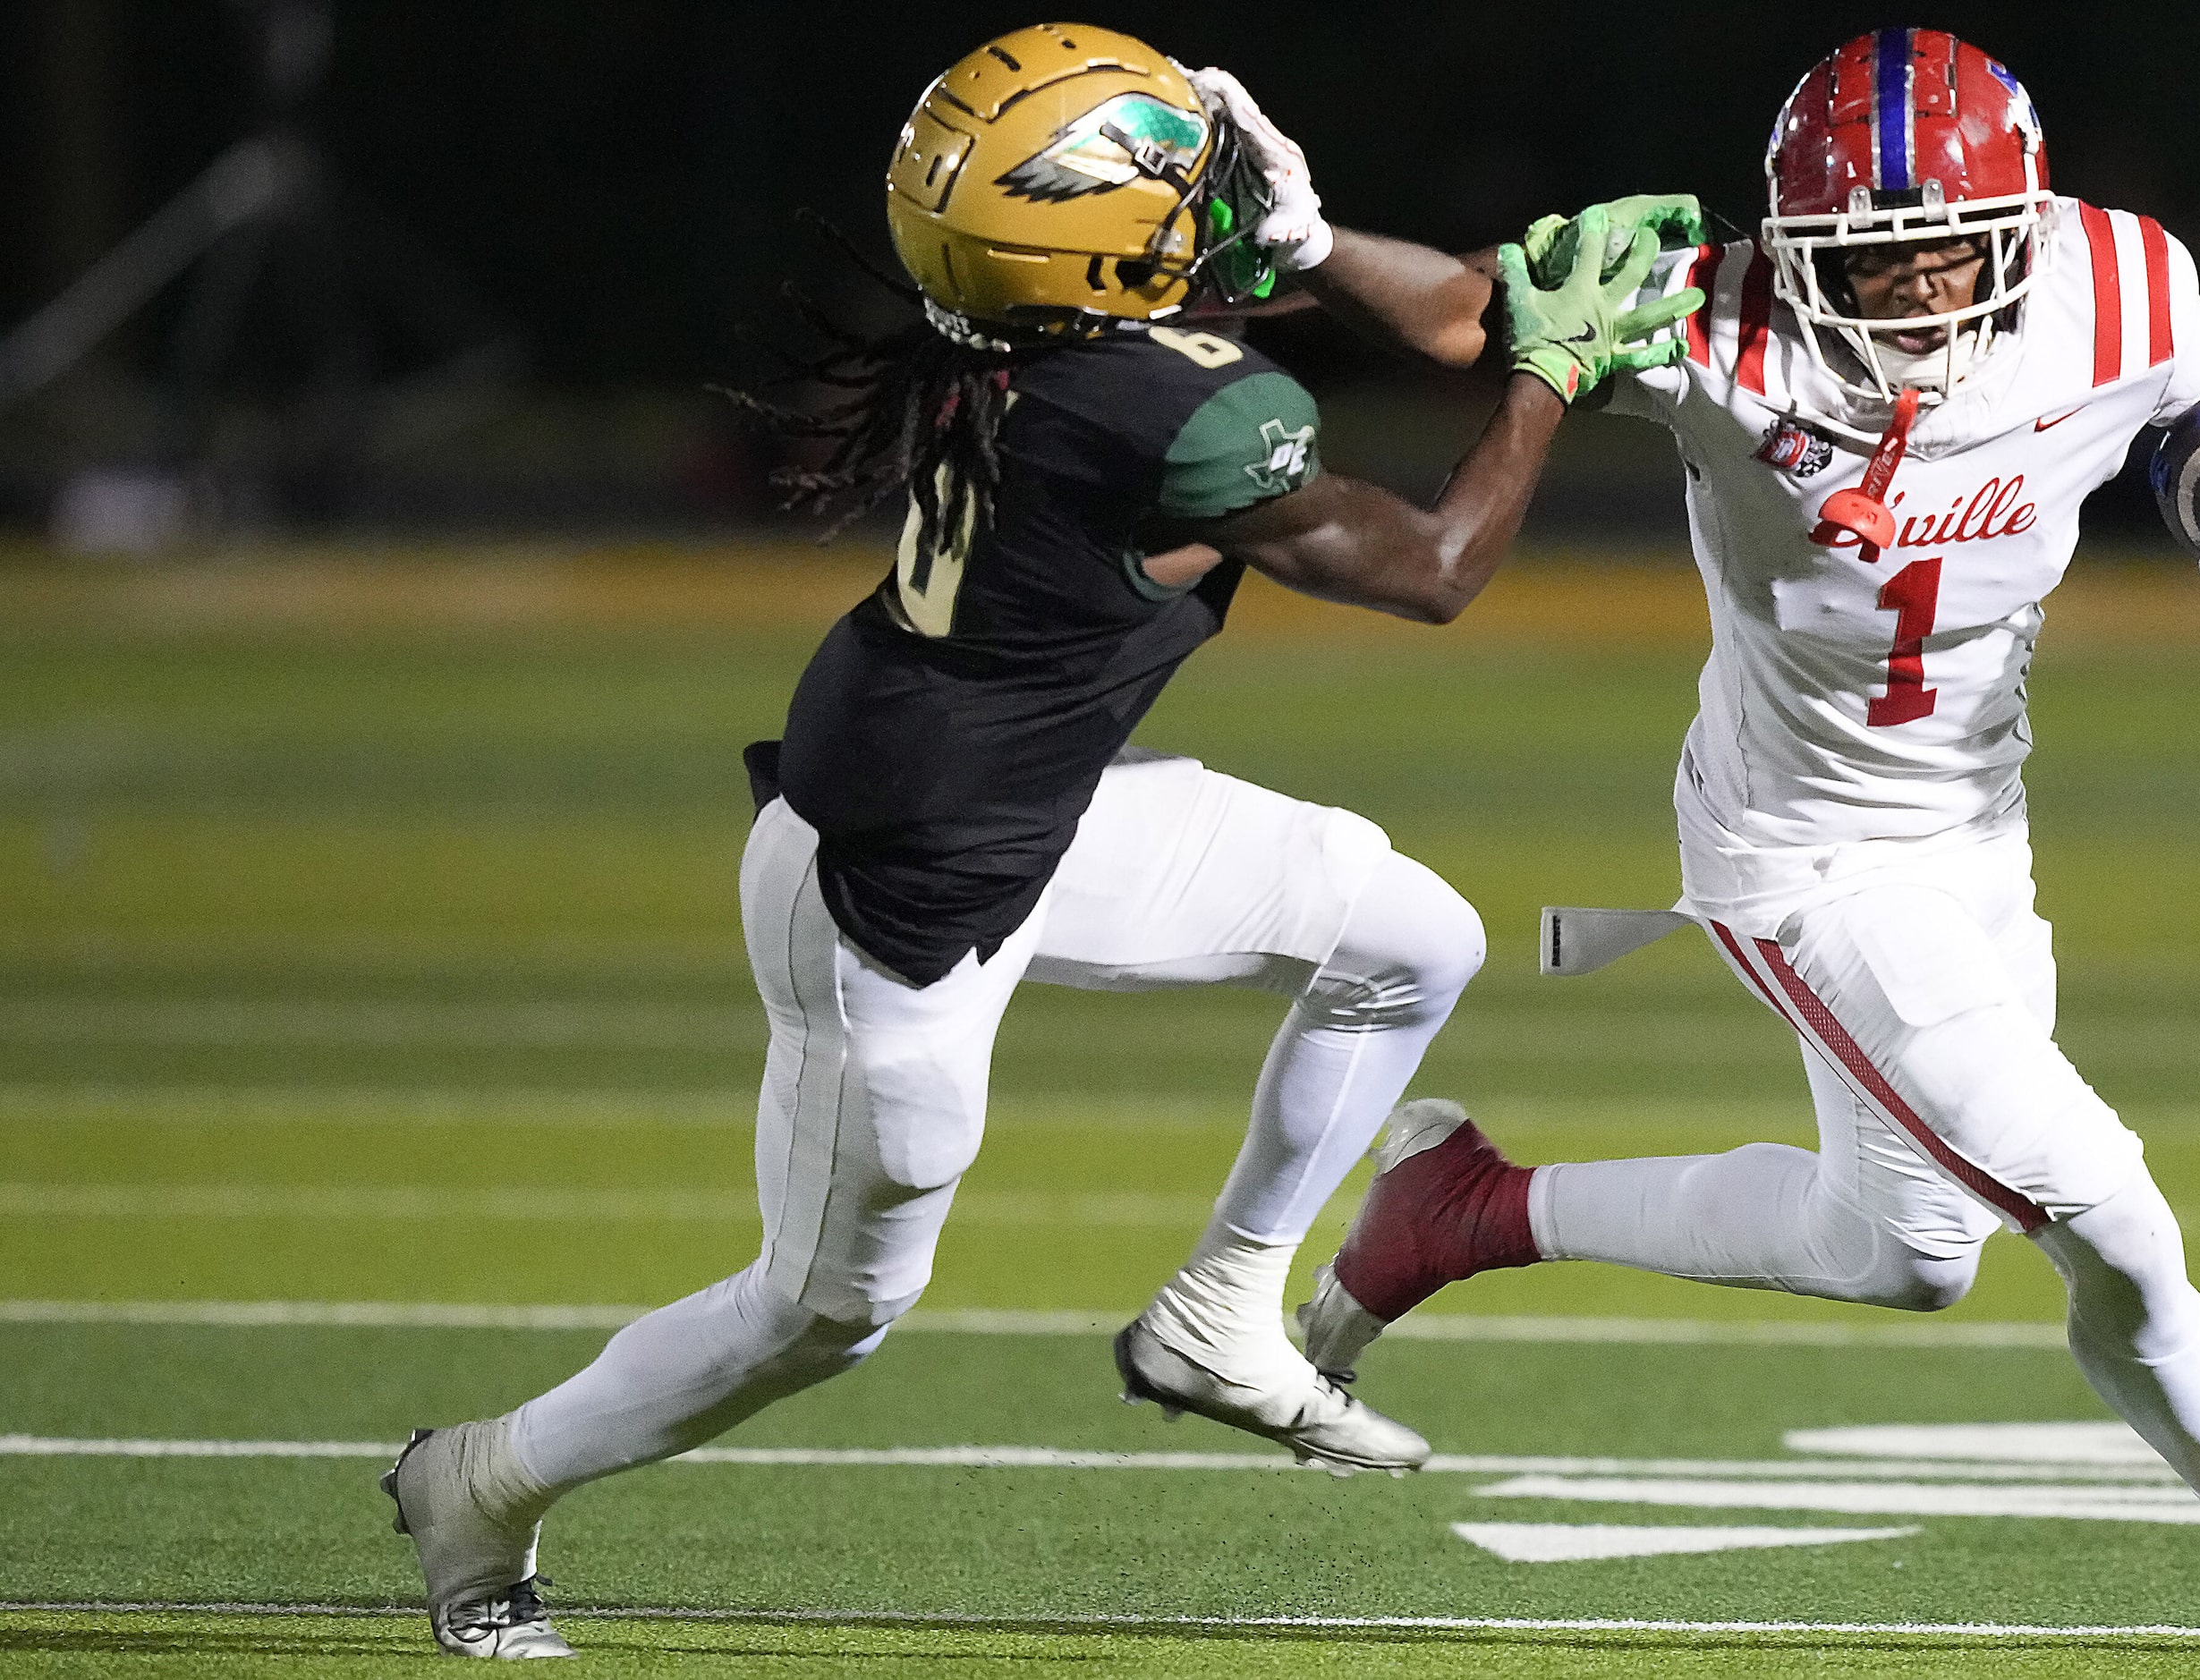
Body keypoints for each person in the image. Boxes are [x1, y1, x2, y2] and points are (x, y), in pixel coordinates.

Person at [376, 23, 1697, 1659]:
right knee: (825, 1313)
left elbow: (1438, 314)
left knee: (1411, 933)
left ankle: (1225, 1308)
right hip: (896, 892)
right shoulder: (1161, 402)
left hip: (1022, 809)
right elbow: (1432, 562)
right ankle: (481, 1484)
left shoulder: (1042, 328)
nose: (1208, 182)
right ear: (1098, 239)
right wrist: (1550, 378)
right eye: (1175, 172)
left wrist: (1305, 239)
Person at [1267, 29, 2200, 1667]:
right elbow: (1469, 312)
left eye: (1948, 243)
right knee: (2100, 1199)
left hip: (1974, 831)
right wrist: (1300, 252)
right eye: (1867, 257)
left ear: (2023, 222)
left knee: (1900, 1253)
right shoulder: (1713, 313)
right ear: (1793, 246)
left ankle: (1463, 1208)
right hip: (1796, 855)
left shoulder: (2111, 285)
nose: (1912, 289)